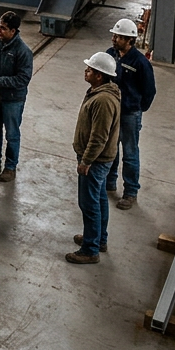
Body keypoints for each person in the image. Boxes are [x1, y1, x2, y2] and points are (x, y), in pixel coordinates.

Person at [68, 52, 122, 264]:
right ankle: (98, 239)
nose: (86, 71)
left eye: (90, 69)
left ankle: (90, 249)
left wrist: (86, 161)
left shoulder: (103, 100)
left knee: (89, 204)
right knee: (99, 199)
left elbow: (99, 137)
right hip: (98, 160)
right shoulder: (98, 92)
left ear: (99, 76)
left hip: (95, 161)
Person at [105, 18, 156, 210]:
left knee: (130, 152)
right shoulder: (111, 54)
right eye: (114, 35)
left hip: (129, 114)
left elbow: (149, 90)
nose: (114, 39)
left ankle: (130, 192)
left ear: (130, 40)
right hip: (112, 111)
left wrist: (137, 108)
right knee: (111, 149)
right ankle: (110, 183)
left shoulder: (140, 62)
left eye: (119, 37)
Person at [0, 10, 33, 183]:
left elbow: (23, 79)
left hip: (13, 99)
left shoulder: (23, 51)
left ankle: (10, 167)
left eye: (3, 28)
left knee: (12, 134)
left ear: (13, 31)